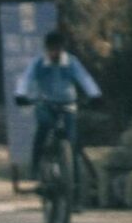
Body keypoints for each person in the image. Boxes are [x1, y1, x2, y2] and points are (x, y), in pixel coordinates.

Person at [15, 28, 100, 174]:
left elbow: (84, 78)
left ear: (62, 49)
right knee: (44, 127)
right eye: (51, 49)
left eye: (58, 49)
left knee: (71, 138)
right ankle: (35, 166)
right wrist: (20, 94)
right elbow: (26, 78)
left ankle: (74, 175)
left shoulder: (71, 62)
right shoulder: (39, 63)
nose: (55, 53)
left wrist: (95, 94)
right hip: (46, 104)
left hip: (68, 104)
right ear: (46, 49)